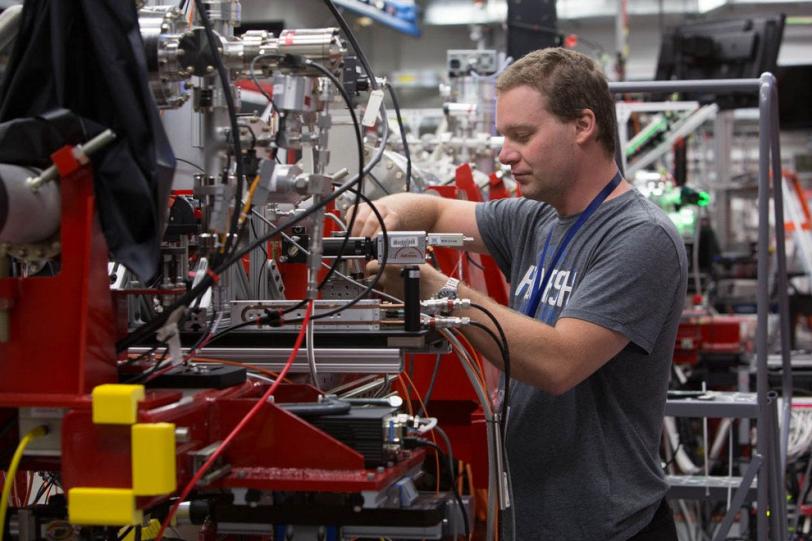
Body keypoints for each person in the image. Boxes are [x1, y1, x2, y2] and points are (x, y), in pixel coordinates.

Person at [351, 48, 688, 540]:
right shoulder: (536, 218)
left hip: (608, 529)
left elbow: (559, 363)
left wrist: (434, 287)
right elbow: (434, 210)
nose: (506, 154)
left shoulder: (640, 237)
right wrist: (385, 215)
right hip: (534, 518)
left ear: (583, 125)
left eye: (523, 136)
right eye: (504, 137)